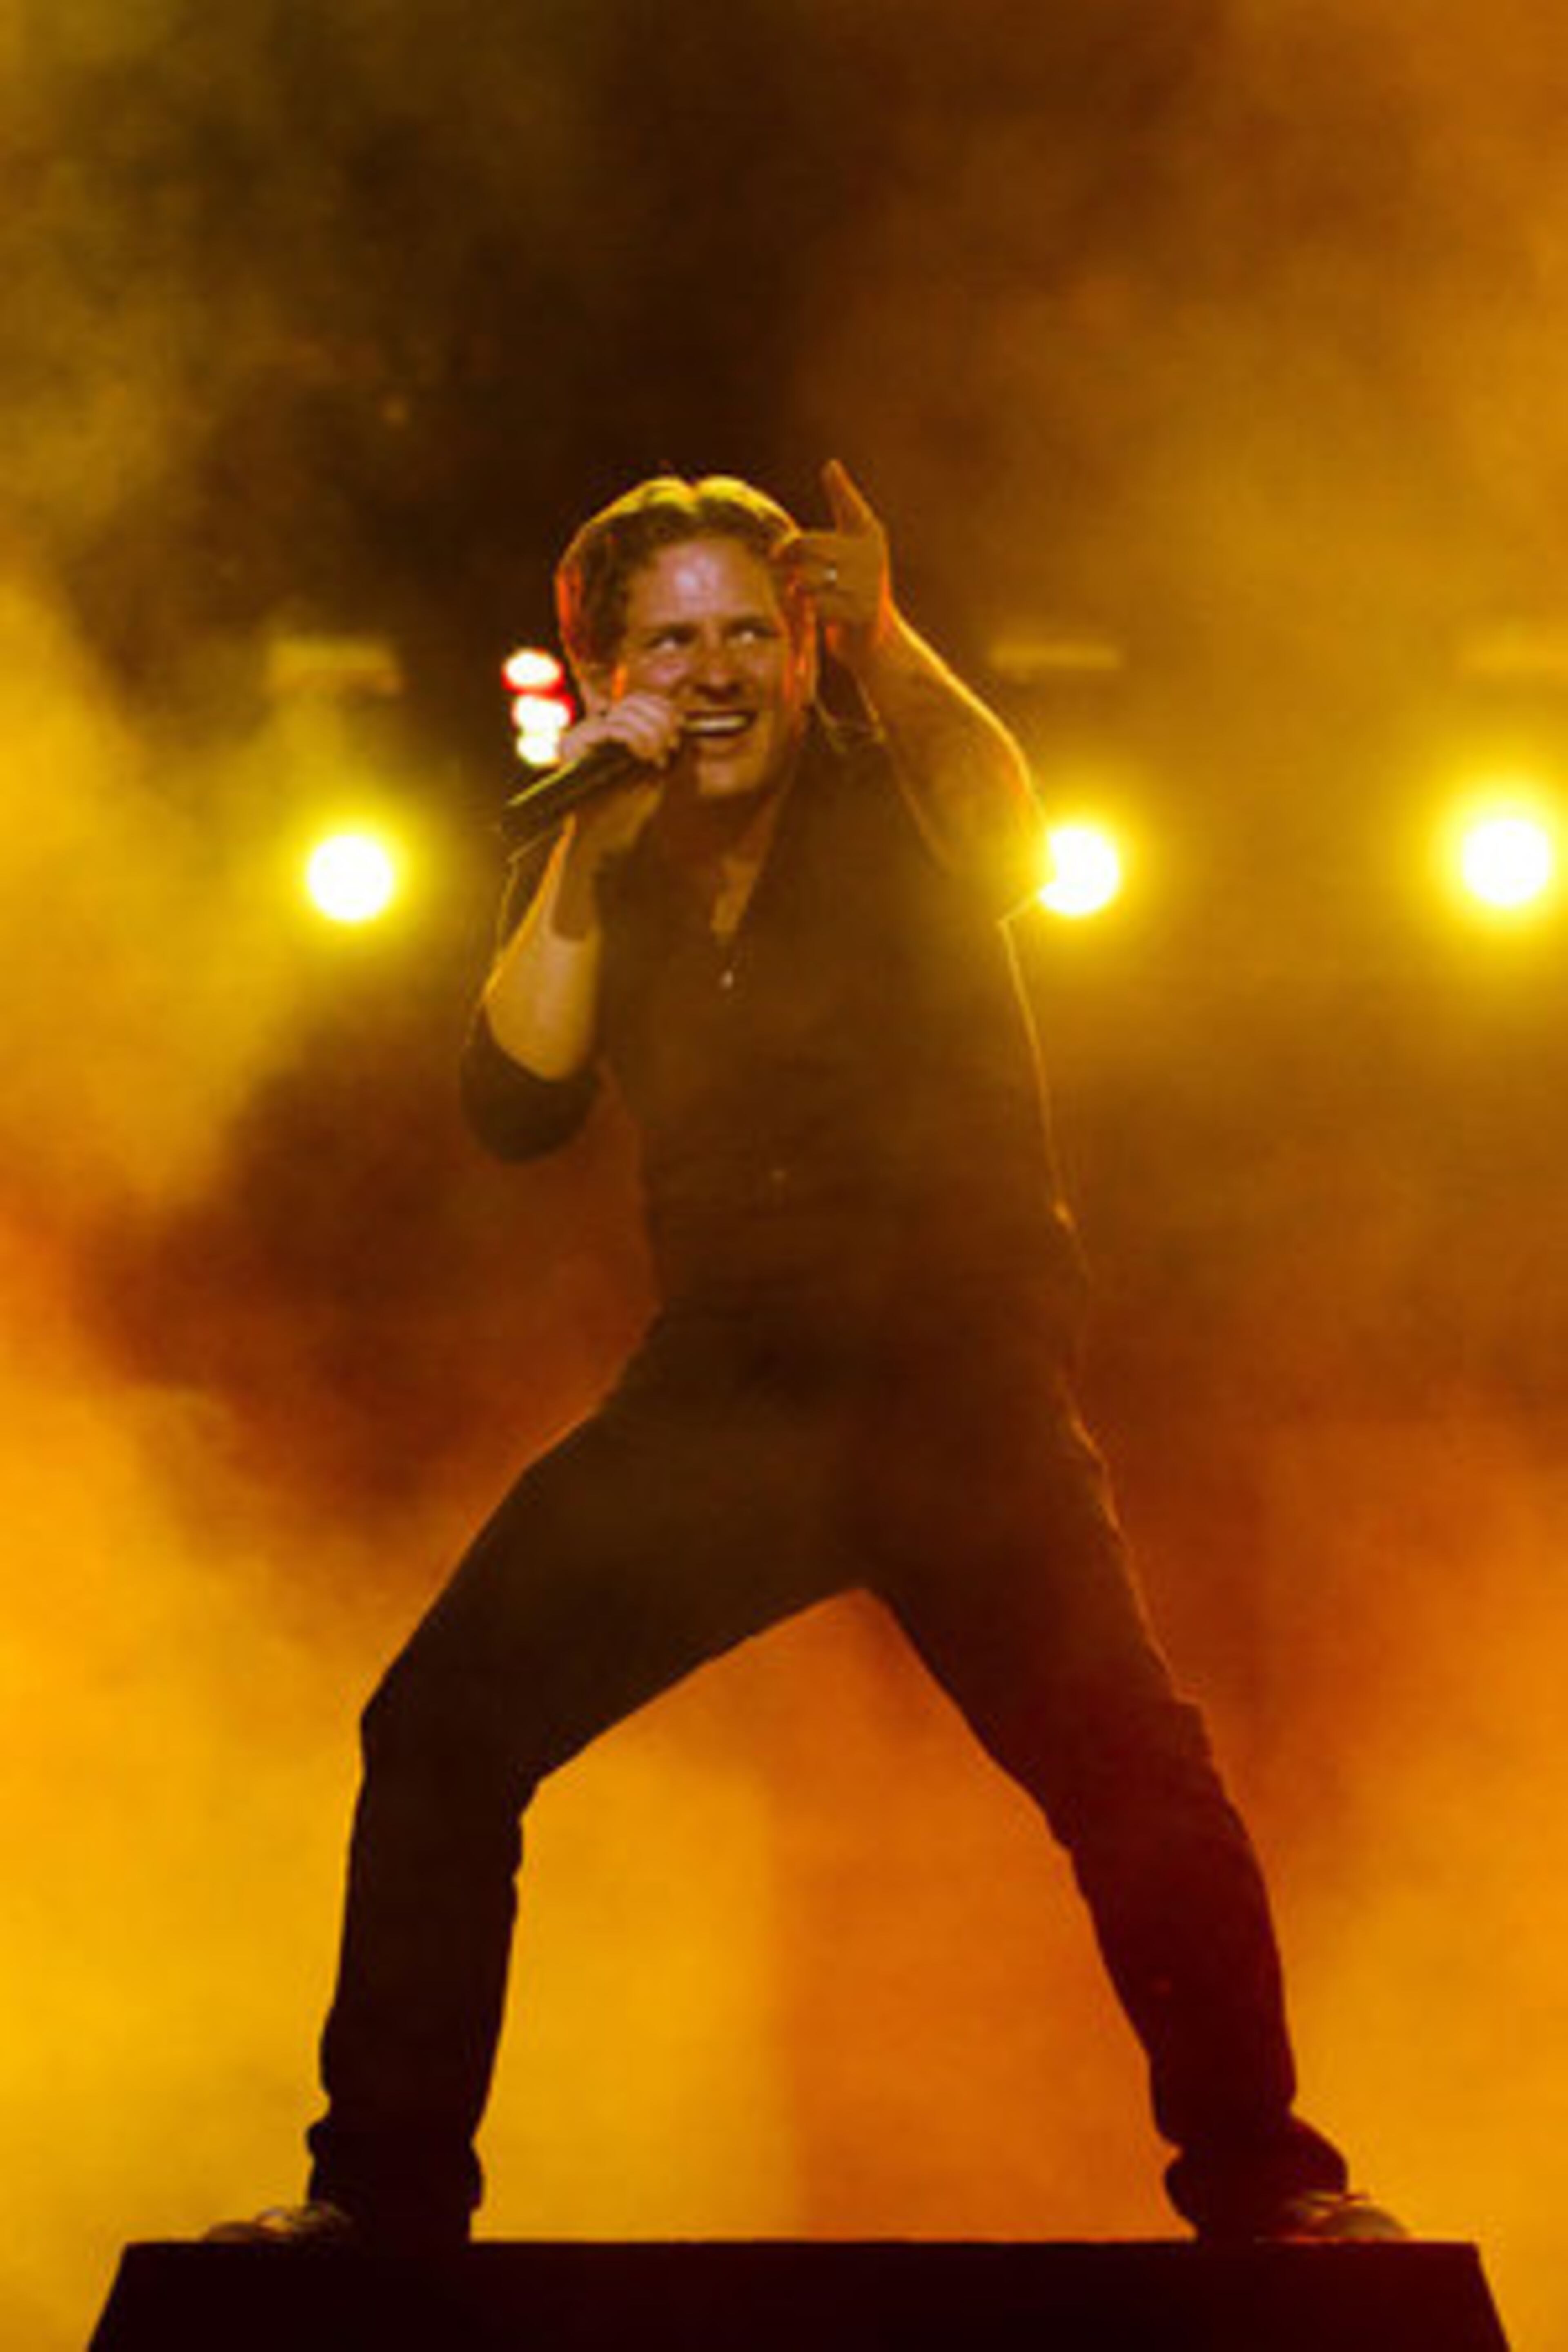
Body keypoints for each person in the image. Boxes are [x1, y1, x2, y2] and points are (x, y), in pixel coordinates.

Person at [218, 461, 1401, 2251]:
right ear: (605, 666)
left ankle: (1268, 2185)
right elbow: (515, 1102)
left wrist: (896, 642)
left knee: (1128, 1771)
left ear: (803, 654)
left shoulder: (889, 794)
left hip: (955, 1384)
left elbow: (1013, 842)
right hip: (730, 1394)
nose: (711, 673)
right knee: (441, 1730)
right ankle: (381, 2208)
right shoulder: (597, 847)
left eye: (748, 636)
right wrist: (577, 842)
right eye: (671, 639)